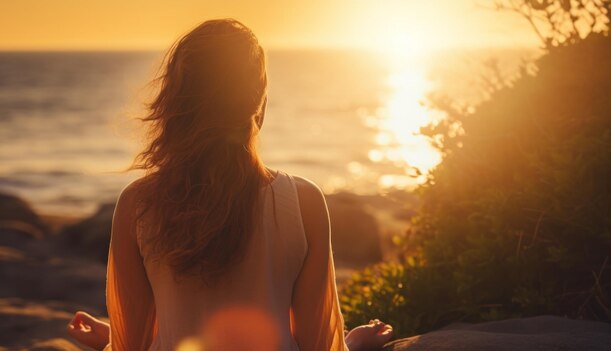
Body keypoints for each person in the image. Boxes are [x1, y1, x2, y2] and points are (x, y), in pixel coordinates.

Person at [66, 19, 393, 351]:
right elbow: (319, 346)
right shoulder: (303, 202)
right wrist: (354, 342)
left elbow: (131, 348)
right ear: (259, 104)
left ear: (175, 104)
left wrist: (111, 340)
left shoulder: (138, 204)